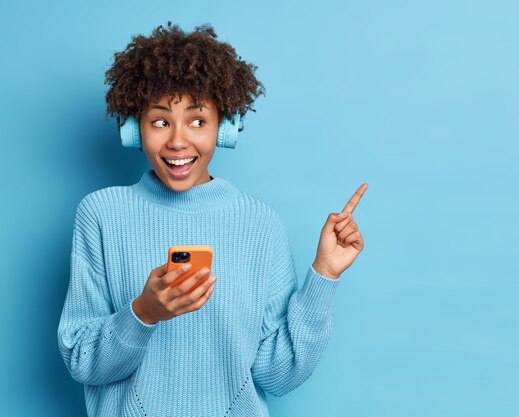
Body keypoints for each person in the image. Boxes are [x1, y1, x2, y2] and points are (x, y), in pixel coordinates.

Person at [57, 21, 367, 417]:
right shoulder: (100, 215)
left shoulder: (260, 223)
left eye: (198, 121)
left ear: (226, 128)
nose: (178, 141)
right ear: (134, 129)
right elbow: (83, 360)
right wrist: (144, 314)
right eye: (160, 121)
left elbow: (278, 375)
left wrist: (324, 275)